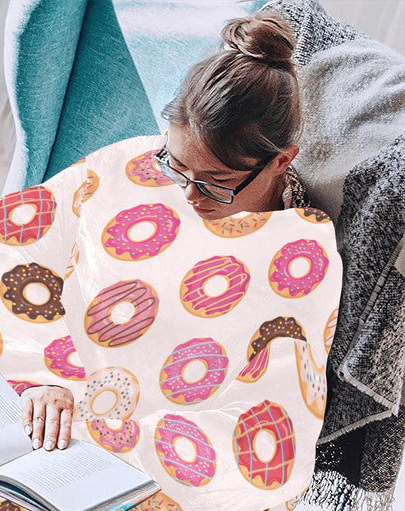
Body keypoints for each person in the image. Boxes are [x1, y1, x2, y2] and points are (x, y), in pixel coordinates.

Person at [21, 8, 307, 453]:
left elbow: (264, 403)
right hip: (70, 385)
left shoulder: (296, 256)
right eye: (177, 166)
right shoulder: (140, 173)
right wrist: (51, 377)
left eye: (216, 183)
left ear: (281, 162)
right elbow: (41, 259)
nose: (190, 196)